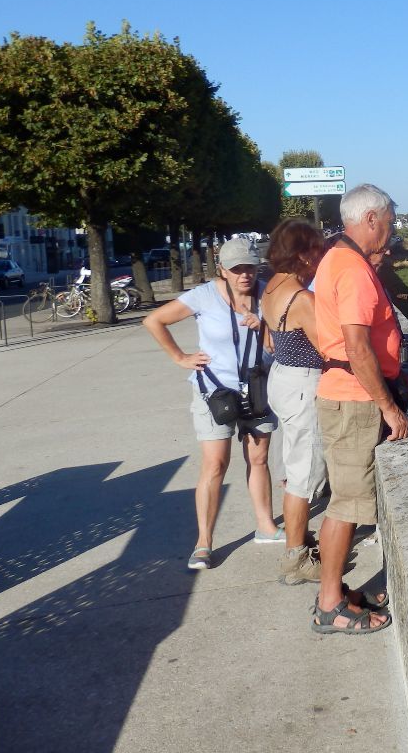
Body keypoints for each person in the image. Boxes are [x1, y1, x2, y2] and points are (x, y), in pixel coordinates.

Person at [143, 238, 283, 570]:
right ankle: (204, 542)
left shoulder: (269, 294)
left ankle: (265, 527)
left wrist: (262, 326)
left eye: (249, 267)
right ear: (222, 270)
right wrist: (180, 357)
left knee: (259, 458)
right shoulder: (203, 296)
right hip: (214, 390)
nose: (244, 275)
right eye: (236, 270)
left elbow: (282, 345)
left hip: (258, 387)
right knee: (215, 465)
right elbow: (154, 321)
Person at [311, 183, 408, 633]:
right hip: (354, 400)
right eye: (389, 219)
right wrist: (389, 407)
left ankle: (336, 590)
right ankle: (329, 605)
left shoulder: (338, 258)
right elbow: (356, 347)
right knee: (346, 505)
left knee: (346, 500)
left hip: (345, 394)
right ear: (371, 218)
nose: (391, 228)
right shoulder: (350, 268)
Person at [261, 219, 329, 585]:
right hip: (304, 384)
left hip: (283, 378)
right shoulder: (303, 299)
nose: (320, 258)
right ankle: (296, 558)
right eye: (316, 250)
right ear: (303, 254)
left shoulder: (271, 288)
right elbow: (330, 350)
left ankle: (297, 539)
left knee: (293, 462)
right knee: (304, 474)